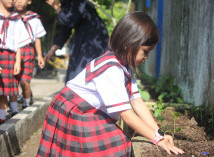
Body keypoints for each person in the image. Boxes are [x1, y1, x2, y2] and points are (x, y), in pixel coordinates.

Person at [37, 12, 185, 156]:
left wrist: (159, 134)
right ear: (129, 44)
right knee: (113, 145)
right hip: (75, 112)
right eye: (145, 51)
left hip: (87, 111)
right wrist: (157, 140)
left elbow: (137, 103)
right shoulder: (111, 69)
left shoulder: (124, 66)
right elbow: (127, 115)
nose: (146, 57)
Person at [45, 0, 109, 83]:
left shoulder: (77, 2)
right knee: (73, 74)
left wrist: (56, 7)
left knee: (84, 72)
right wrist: (52, 50)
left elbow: (70, 20)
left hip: (93, 41)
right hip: (82, 40)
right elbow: (65, 32)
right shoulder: (65, 6)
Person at [0, 0, 31, 124]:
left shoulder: (16, 19)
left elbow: (19, 43)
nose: (12, 0)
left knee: (5, 88)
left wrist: (18, 62)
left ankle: (2, 116)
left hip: (10, 56)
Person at [14, 0, 46, 110]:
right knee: (12, 81)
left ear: (28, 1)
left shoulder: (34, 18)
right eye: (16, 0)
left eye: (21, 0)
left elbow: (37, 39)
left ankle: (26, 104)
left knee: (24, 82)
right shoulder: (9, 17)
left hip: (28, 51)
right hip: (12, 51)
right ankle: (13, 106)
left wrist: (40, 56)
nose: (18, 2)